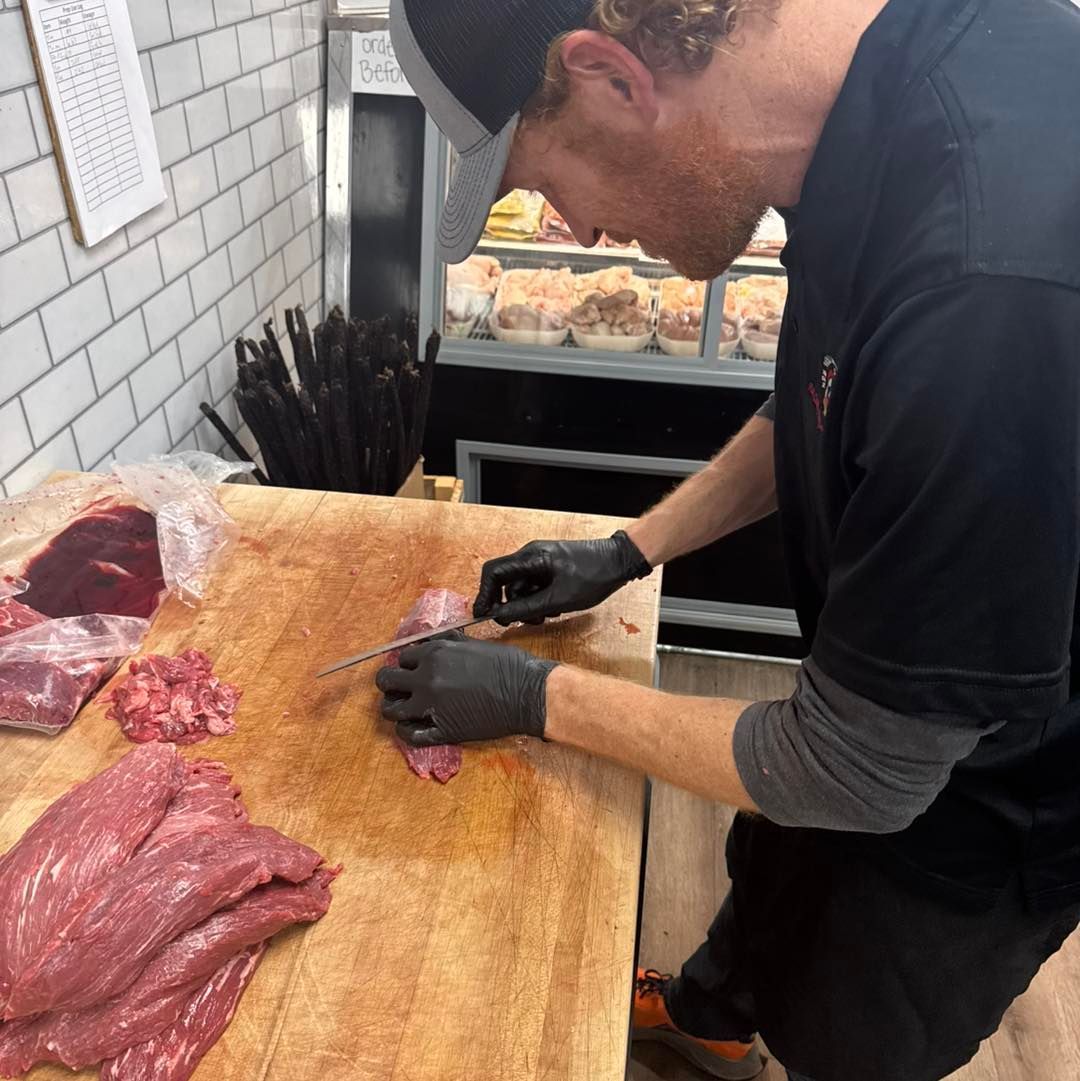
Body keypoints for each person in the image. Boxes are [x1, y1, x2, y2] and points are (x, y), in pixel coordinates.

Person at [378, 1, 1080, 1078]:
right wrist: (628, 551)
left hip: (983, 785)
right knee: (775, 867)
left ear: (613, 75)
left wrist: (535, 698)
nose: (576, 231)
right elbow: (831, 395)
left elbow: (859, 770)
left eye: (544, 183)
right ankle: (709, 1016)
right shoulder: (853, 111)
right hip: (869, 665)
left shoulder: (986, 280)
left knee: (854, 1024)